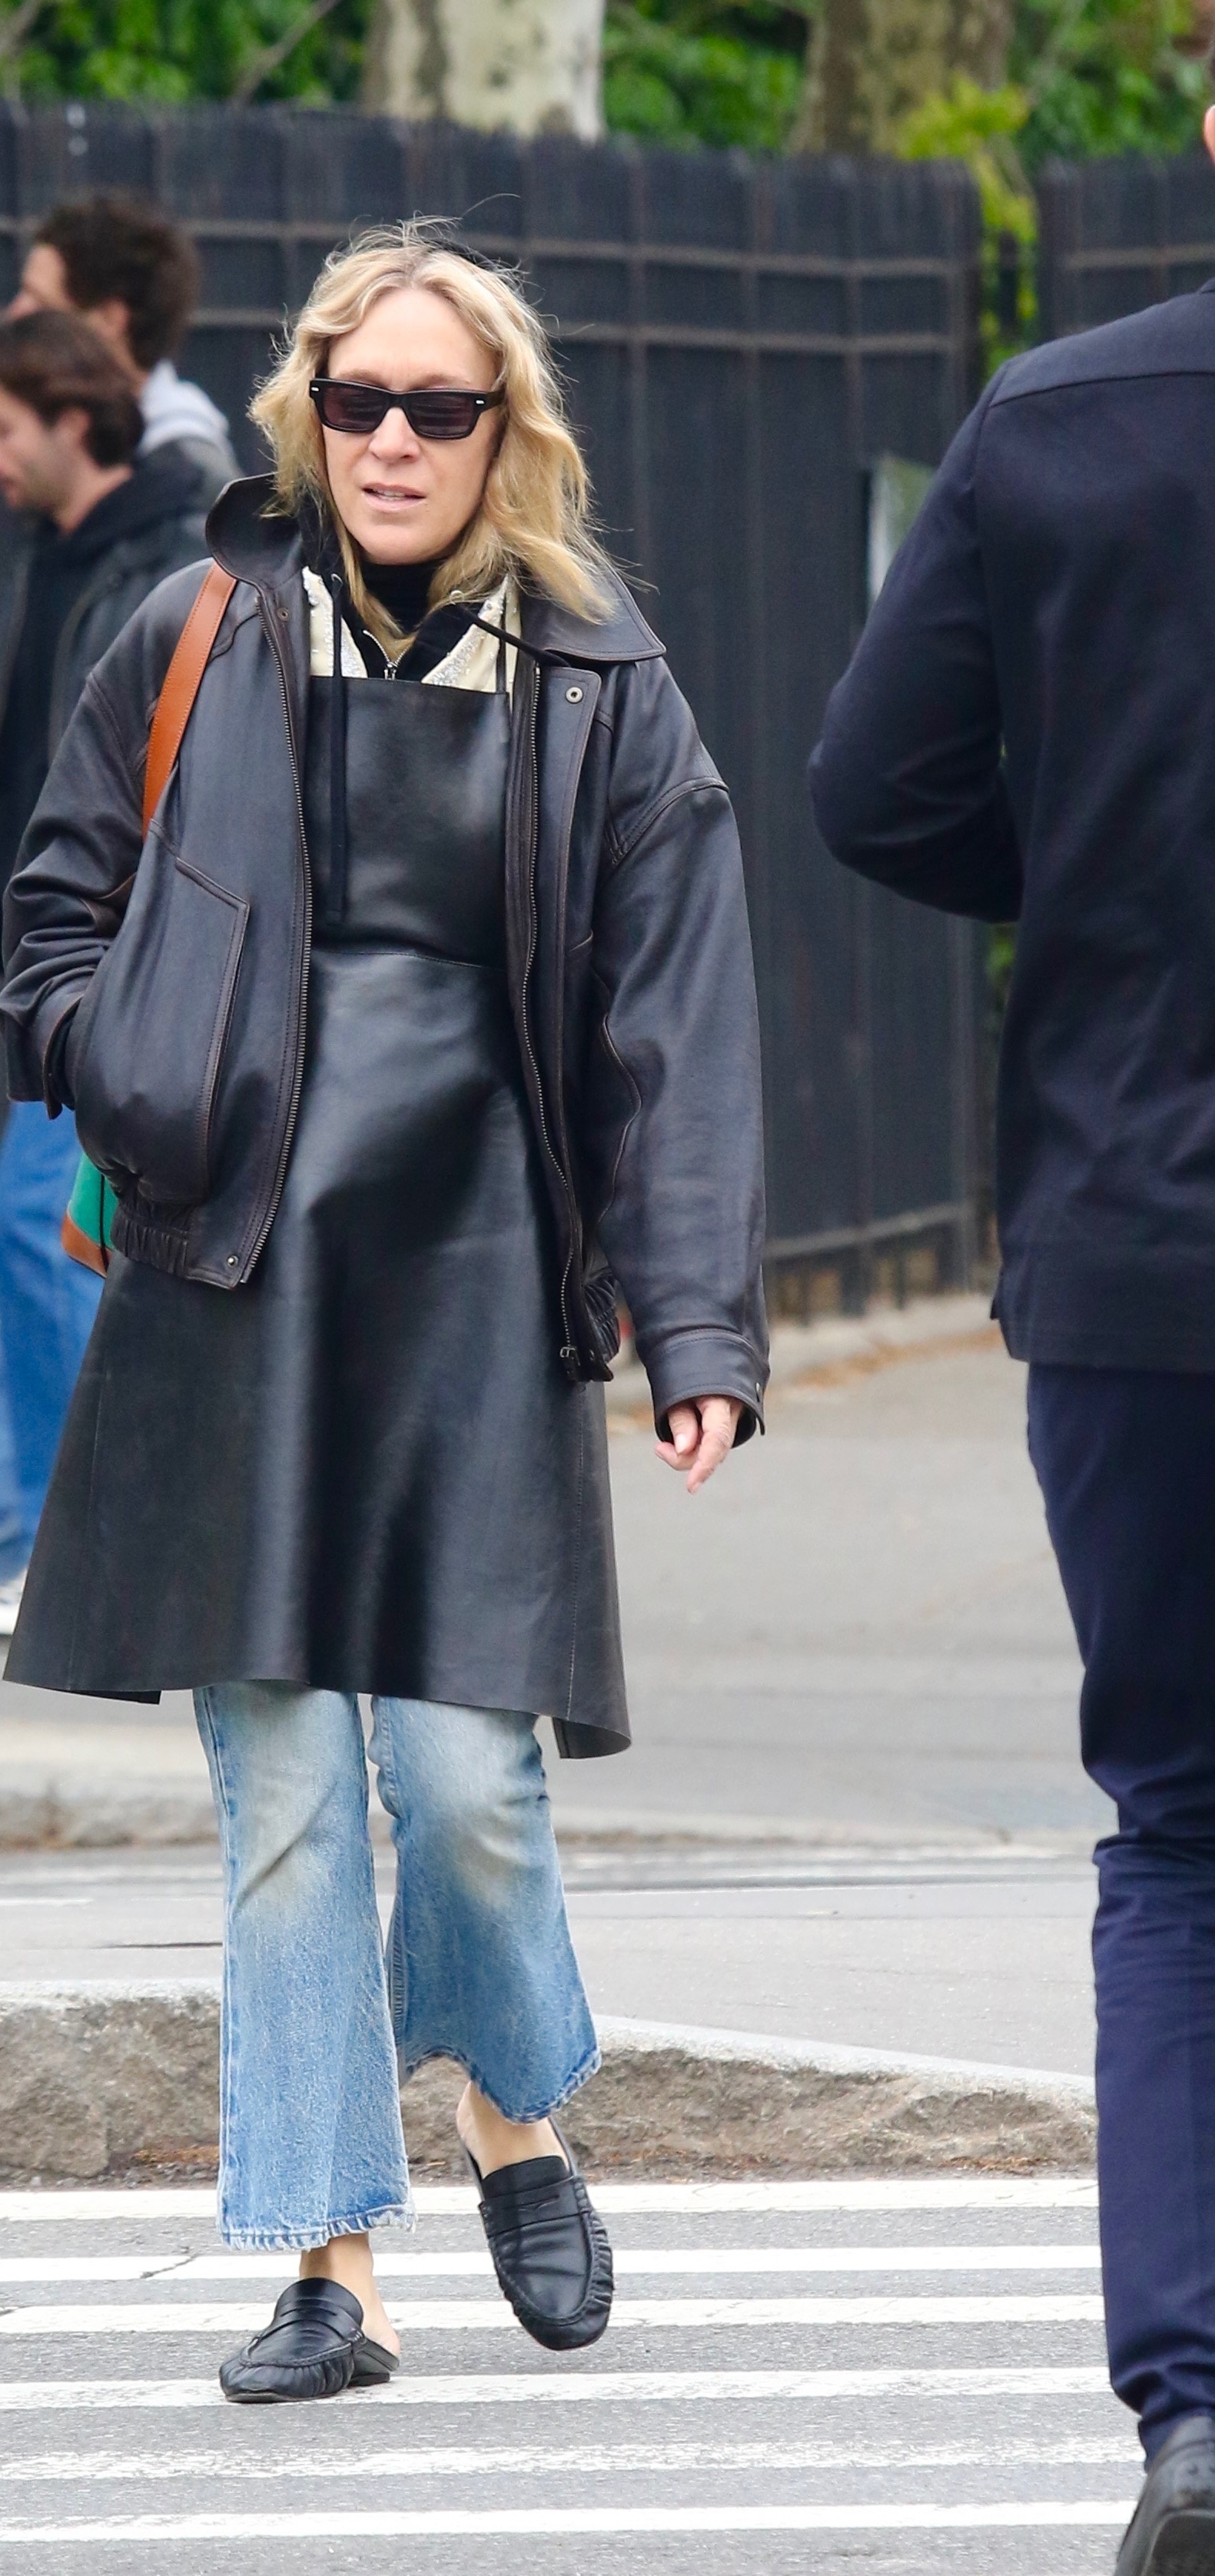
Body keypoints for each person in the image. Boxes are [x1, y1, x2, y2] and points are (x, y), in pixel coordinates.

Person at [0, 222, 768, 2403]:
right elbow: (51, 910)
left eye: (442, 406)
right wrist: (116, 1050)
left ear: (502, 429)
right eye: (360, 403)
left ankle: (518, 2105)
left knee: (469, 1785)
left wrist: (697, 1322)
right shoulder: (197, 625)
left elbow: (674, 1026)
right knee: (289, 1803)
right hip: (234, 1278)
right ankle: (330, 2261)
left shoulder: (603, 675)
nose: (398, 440)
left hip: (478, 1285)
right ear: (305, 418)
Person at [808, 80, 1215, 2576]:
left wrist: (1071, 868)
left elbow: (874, 787)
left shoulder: (1058, 430)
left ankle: (1196, 2410)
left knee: (1178, 1830)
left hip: (1135, 1245)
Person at [0, 311, 209, 1627]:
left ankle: (86, 1545)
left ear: (75, 424)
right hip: (63, 953)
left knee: (39, 1232)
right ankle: (9, 1524)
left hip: (112, 961)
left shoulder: (159, 554)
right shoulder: (61, 548)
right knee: (46, 1240)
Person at [10, 191, 238, 501]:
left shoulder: (190, 482)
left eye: (40, 301)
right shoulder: (89, 449)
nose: (15, 314)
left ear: (109, 320)